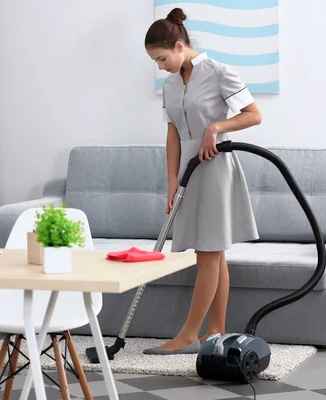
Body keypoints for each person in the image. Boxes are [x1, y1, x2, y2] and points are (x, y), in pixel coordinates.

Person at [142, 8, 263, 355]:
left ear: (179, 46)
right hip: (188, 174)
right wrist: (171, 181)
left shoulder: (220, 72)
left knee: (208, 253)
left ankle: (189, 335)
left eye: (162, 58)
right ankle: (215, 331)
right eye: (155, 60)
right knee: (213, 254)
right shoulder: (169, 84)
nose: (160, 66)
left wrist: (215, 128)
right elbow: (173, 136)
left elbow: (254, 115)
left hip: (215, 168)